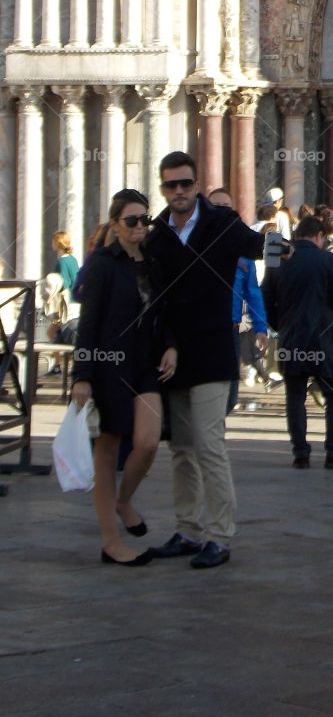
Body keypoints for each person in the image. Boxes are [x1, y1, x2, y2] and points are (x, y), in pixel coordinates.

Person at [144, 152, 264, 570]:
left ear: (196, 185)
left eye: (185, 184)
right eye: (170, 185)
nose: (178, 191)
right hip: (174, 353)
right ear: (163, 188)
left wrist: (295, 240)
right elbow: (155, 297)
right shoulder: (156, 235)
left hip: (214, 350)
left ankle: (219, 535)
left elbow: (260, 246)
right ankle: (188, 530)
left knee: (209, 445)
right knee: (181, 448)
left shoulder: (220, 224)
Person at [71, 189, 177, 566]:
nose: (139, 227)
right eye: (131, 221)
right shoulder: (102, 263)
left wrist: (170, 345)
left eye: (144, 220)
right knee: (107, 451)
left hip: (144, 362)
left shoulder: (152, 262)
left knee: (148, 441)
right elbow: (88, 323)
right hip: (108, 364)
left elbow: (161, 311)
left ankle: (124, 499)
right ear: (115, 225)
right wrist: (81, 376)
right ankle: (110, 541)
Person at [263, 214, 333, 469]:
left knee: (295, 397)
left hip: (291, 339)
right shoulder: (327, 259)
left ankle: (301, 454)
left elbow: (265, 299)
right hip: (322, 340)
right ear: (319, 237)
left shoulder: (278, 262)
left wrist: (280, 325)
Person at [208, 188, 272, 414]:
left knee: (230, 393)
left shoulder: (243, 253)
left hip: (231, 328)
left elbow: (252, 291)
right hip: (203, 330)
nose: (221, 213)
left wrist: (260, 327)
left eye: (227, 208)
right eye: (216, 207)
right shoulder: (197, 246)